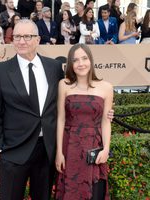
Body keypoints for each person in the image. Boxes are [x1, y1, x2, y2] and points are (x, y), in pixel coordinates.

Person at [0, 19, 64, 200]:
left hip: (46, 150)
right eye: (17, 36)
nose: (21, 41)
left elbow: (61, 104)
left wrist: (103, 111)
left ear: (37, 39)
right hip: (13, 150)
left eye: (27, 36)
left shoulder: (54, 68)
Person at [55, 43, 113, 200]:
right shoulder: (64, 85)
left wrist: (106, 149)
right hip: (70, 147)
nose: (81, 64)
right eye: (75, 60)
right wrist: (59, 153)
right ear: (70, 64)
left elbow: (105, 122)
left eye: (84, 58)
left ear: (91, 60)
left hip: (94, 148)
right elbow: (61, 119)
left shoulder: (106, 87)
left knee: (94, 191)